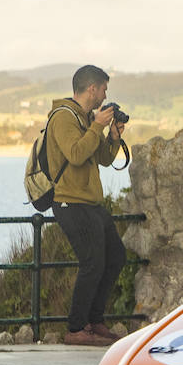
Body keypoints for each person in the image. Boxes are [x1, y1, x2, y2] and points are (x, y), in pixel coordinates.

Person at [48, 65, 127, 347]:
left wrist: (113, 137)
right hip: (70, 202)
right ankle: (76, 328)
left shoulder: (85, 119)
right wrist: (97, 126)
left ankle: (94, 321)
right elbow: (77, 154)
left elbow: (102, 159)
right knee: (92, 262)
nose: (105, 95)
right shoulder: (63, 117)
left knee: (116, 256)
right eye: (104, 89)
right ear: (92, 88)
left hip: (91, 202)